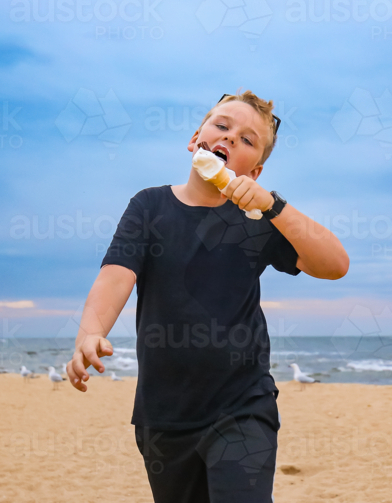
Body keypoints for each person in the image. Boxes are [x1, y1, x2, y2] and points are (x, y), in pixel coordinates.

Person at [66, 91, 349, 503]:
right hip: (163, 416)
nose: (231, 138)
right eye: (222, 126)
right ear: (195, 137)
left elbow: (334, 264)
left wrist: (273, 206)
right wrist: (90, 332)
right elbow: (116, 276)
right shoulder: (149, 206)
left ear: (254, 171)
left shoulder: (258, 220)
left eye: (248, 140)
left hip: (243, 403)